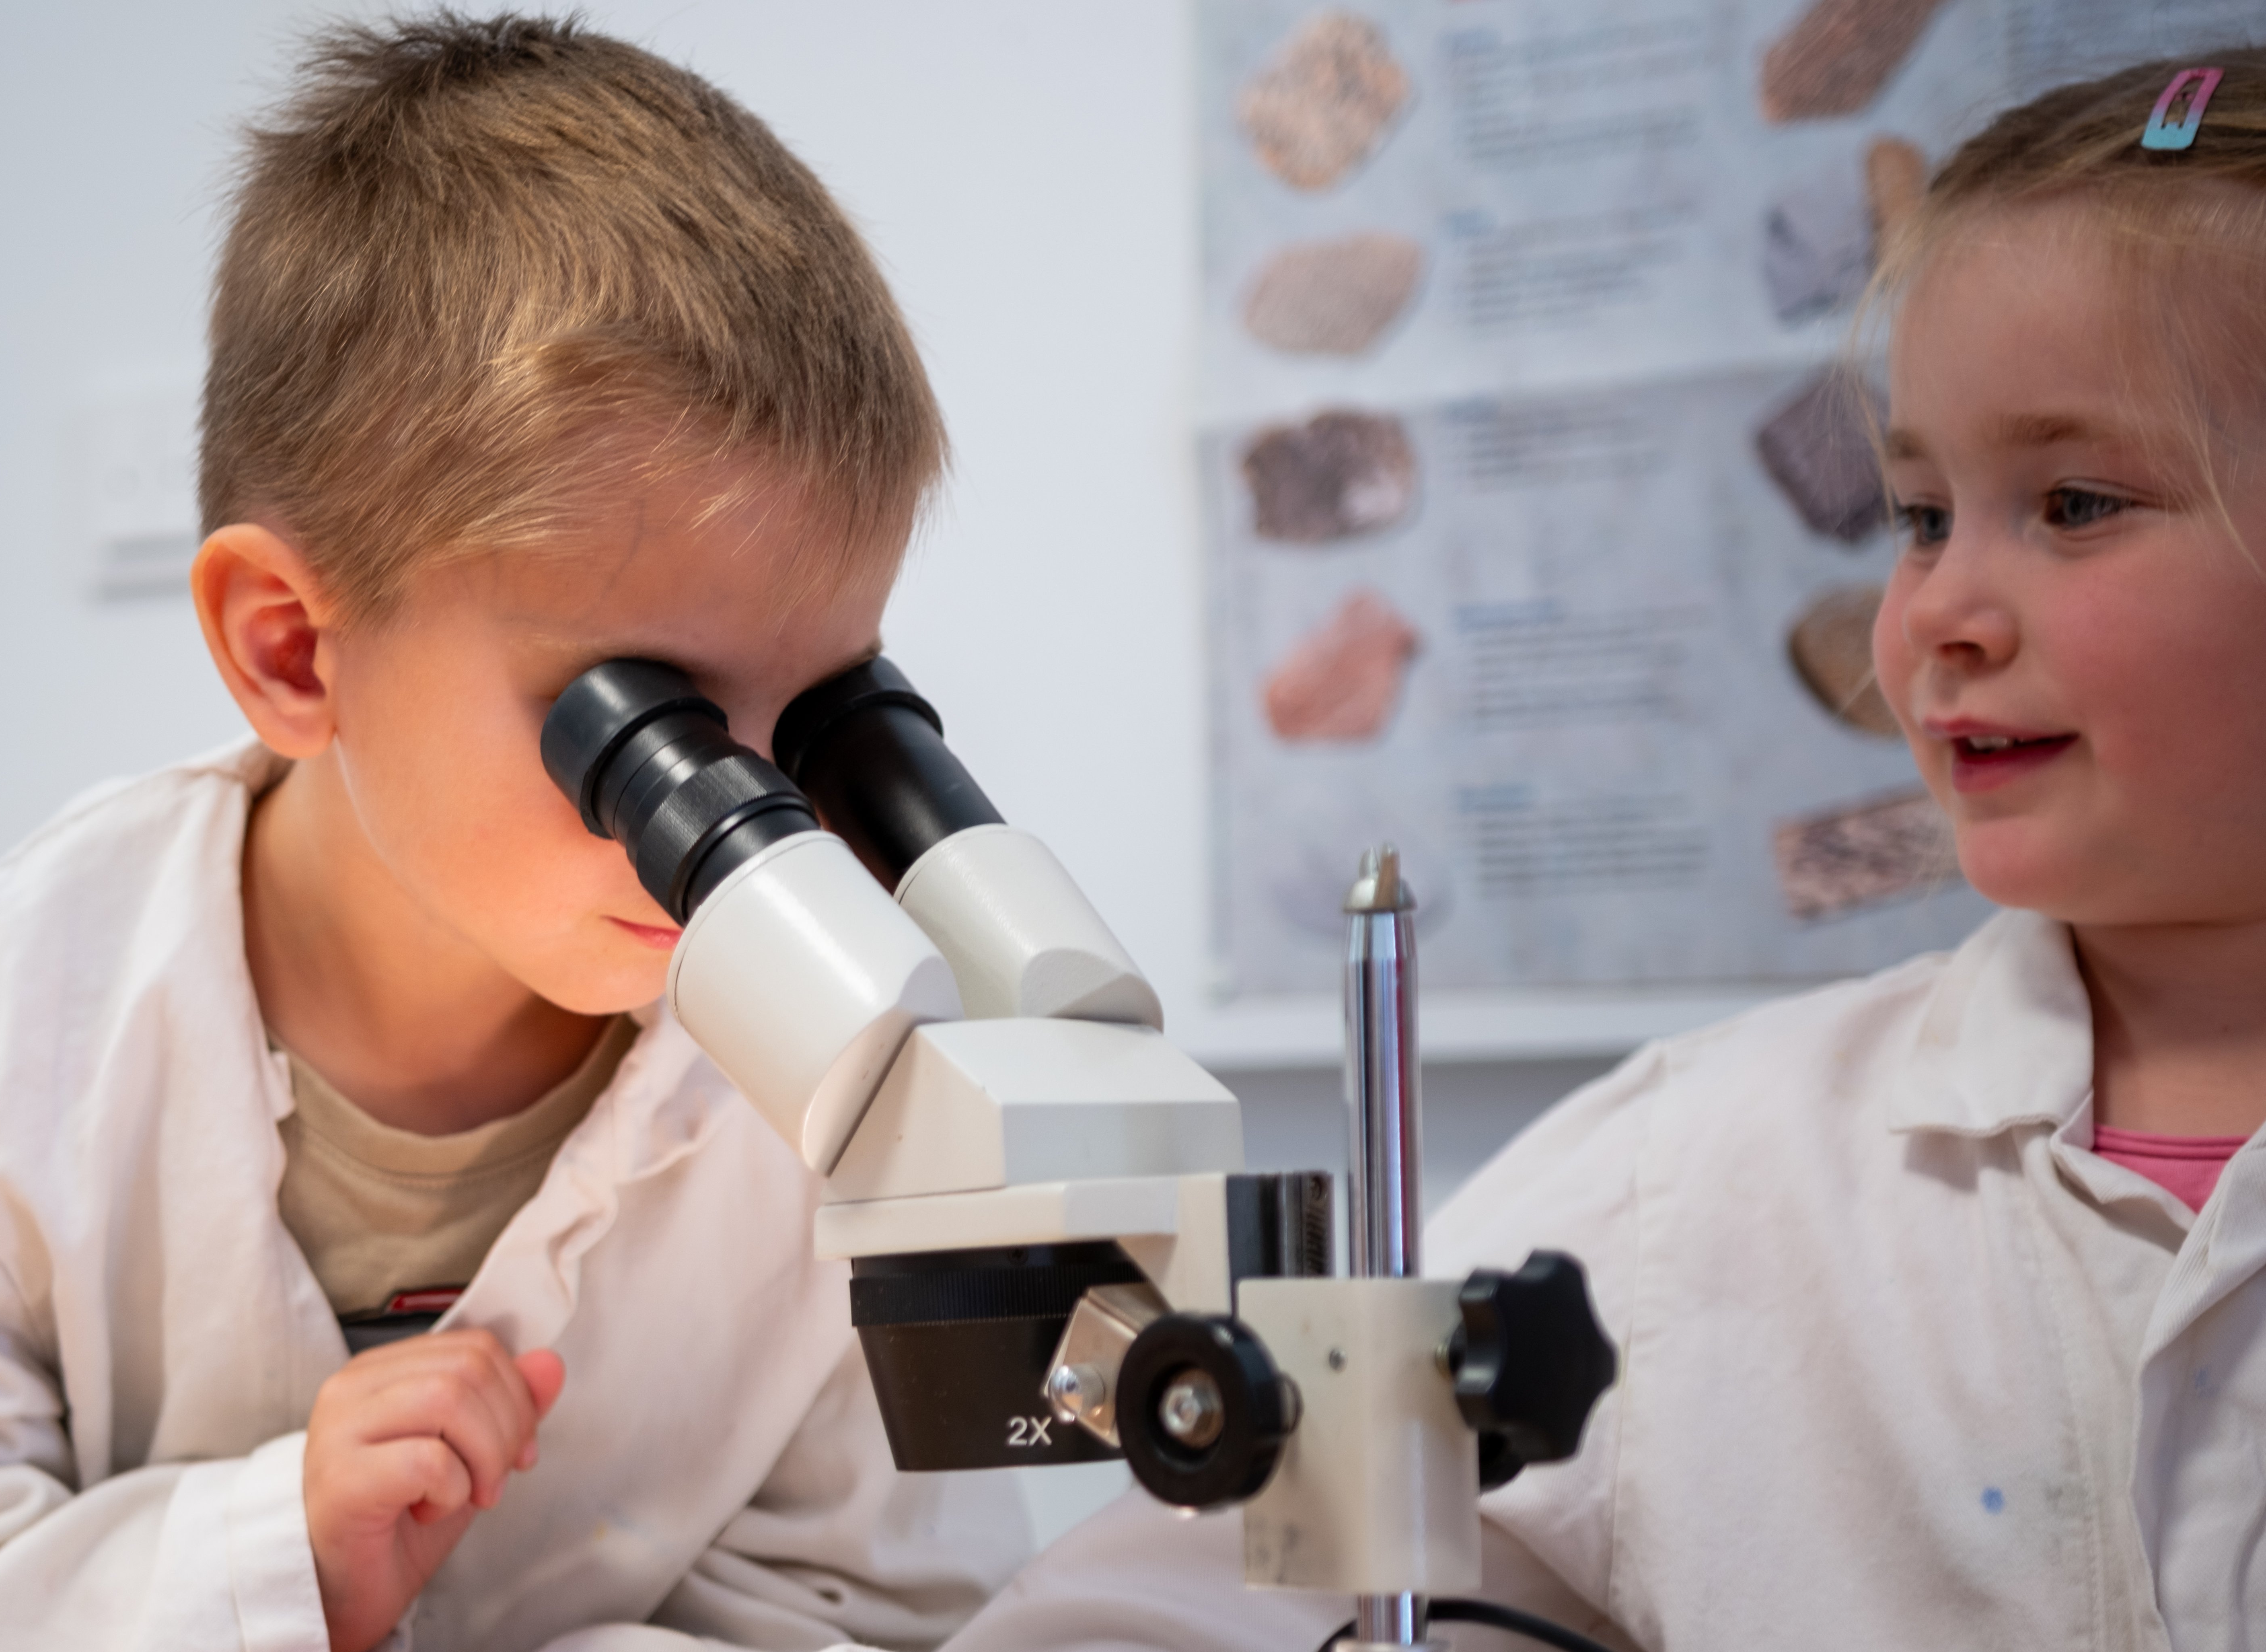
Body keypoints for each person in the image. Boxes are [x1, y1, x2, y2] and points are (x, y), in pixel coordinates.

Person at [0, 16, 1028, 1652]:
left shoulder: (820, 1099)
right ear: (295, 647)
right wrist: (257, 1559)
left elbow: (881, 1605)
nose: (746, 830)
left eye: (818, 721)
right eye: (648, 728)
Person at [943, 49, 2266, 1652]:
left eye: (2070, 502)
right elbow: (1138, 1615)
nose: (1937, 620)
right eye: (1917, 514)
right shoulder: (1688, 1174)